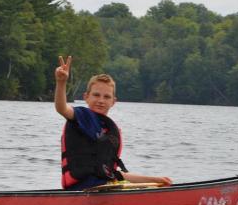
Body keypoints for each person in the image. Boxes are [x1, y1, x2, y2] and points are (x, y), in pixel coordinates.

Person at [54, 55, 172, 190]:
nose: (101, 100)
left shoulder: (109, 130)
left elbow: (116, 174)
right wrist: (61, 82)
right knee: (137, 190)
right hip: (84, 189)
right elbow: (61, 108)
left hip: (103, 187)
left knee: (153, 188)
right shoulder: (82, 116)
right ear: (86, 97)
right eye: (96, 95)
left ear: (113, 102)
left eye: (106, 97)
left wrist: (155, 180)